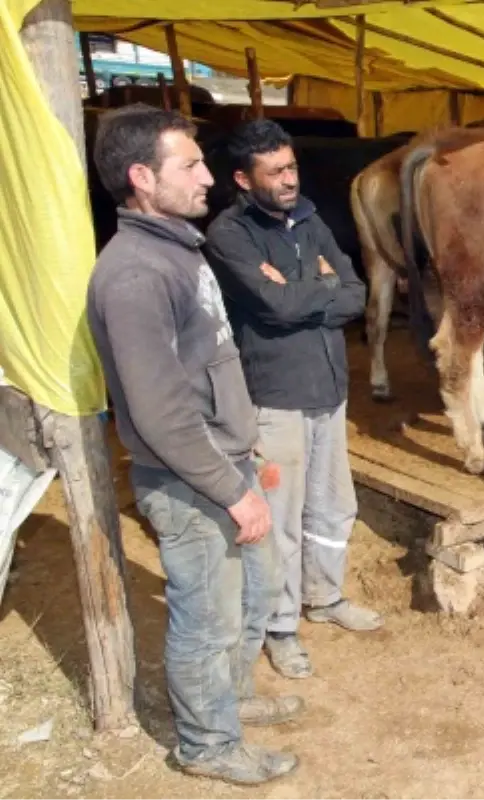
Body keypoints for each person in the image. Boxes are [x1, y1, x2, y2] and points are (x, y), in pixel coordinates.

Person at [85, 104, 303, 786]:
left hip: (222, 464)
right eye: (192, 165)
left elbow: (206, 367)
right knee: (205, 618)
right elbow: (161, 411)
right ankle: (207, 745)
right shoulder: (135, 275)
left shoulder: (175, 246)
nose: (210, 177)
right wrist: (232, 489)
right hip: (188, 481)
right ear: (142, 177)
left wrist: (245, 455)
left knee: (247, 600)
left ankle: (229, 701)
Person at [203, 119, 379, 682]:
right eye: (274, 171)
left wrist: (306, 290)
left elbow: (357, 291)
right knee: (278, 518)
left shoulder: (309, 218)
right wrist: (318, 289)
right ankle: (280, 627)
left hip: (330, 390)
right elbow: (272, 308)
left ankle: (324, 596)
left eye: (292, 167)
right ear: (242, 177)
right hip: (276, 396)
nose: (288, 179)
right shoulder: (229, 234)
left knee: (331, 505)